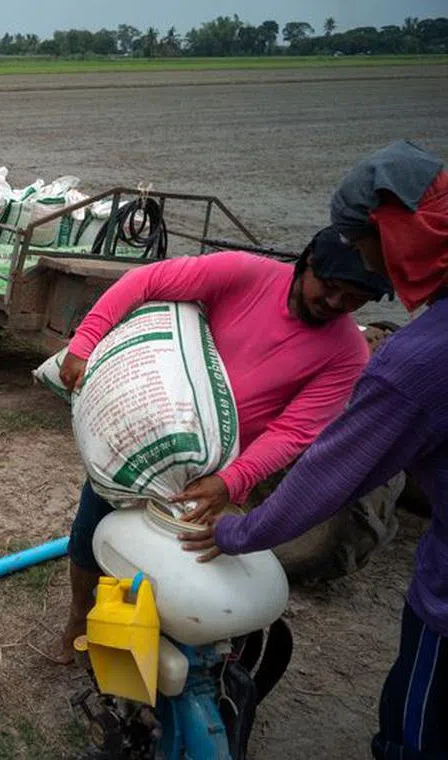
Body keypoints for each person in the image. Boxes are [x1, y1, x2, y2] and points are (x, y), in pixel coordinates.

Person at [184, 140, 447, 759]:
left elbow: (328, 467)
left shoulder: (416, 361)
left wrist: (238, 531)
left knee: (416, 738)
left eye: (363, 254)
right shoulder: (246, 279)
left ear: (397, 234)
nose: (360, 279)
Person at [55, 228, 393, 660]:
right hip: (145, 435)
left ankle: (171, 646)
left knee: (189, 563)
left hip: (221, 468)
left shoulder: (346, 354)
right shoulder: (244, 274)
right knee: (91, 532)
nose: (335, 304)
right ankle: (79, 618)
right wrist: (84, 342)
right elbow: (145, 282)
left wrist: (232, 480)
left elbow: (292, 432)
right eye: (329, 288)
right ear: (306, 262)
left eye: (353, 300)